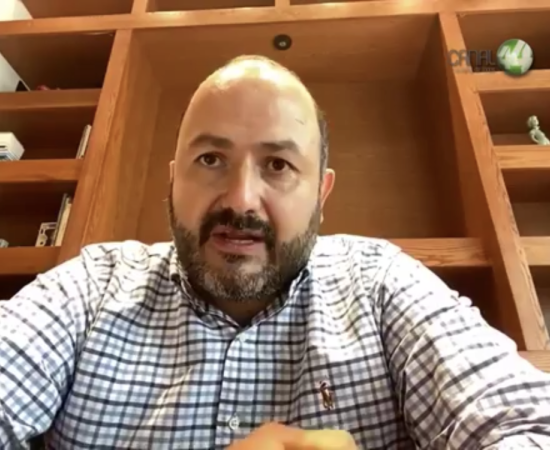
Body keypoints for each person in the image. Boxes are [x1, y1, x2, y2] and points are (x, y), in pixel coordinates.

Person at [1, 54, 550, 450]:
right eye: (210, 159)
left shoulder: (381, 283)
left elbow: (530, 427)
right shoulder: (90, 288)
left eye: (279, 165)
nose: (241, 199)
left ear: (321, 194)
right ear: (173, 181)